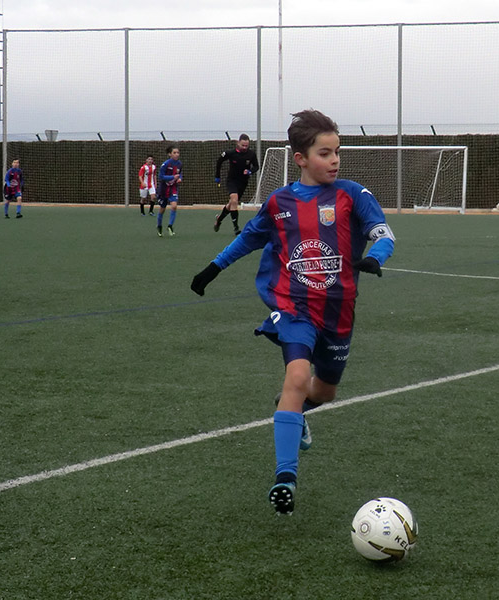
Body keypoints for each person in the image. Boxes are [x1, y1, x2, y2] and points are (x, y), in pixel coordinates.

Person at [190, 109, 395, 514]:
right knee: (297, 375)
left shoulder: (353, 195)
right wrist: (212, 269)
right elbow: (248, 239)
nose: (334, 160)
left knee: (324, 390)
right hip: (293, 306)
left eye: (337, 152)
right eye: (324, 153)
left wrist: (376, 257)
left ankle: (297, 413)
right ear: (300, 158)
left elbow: (382, 232)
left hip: (339, 311)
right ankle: (285, 479)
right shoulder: (280, 202)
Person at [214, 133, 260, 235]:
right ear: (238, 143)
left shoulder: (251, 154)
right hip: (232, 181)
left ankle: (219, 219)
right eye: (243, 145)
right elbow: (219, 161)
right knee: (234, 200)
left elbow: (256, 167)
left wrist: (250, 172)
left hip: (243, 182)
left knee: (232, 204)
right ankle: (236, 228)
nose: (244, 147)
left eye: (246, 146)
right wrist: (217, 176)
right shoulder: (230, 153)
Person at [156, 145, 183, 237]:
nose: (176, 154)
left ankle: (170, 226)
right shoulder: (165, 164)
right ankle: (159, 226)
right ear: (169, 154)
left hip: (173, 188)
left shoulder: (179, 164)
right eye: (174, 153)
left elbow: (180, 173)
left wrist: (180, 178)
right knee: (162, 209)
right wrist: (172, 177)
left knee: (174, 206)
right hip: (164, 189)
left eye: (178, 153)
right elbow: (161, 177)